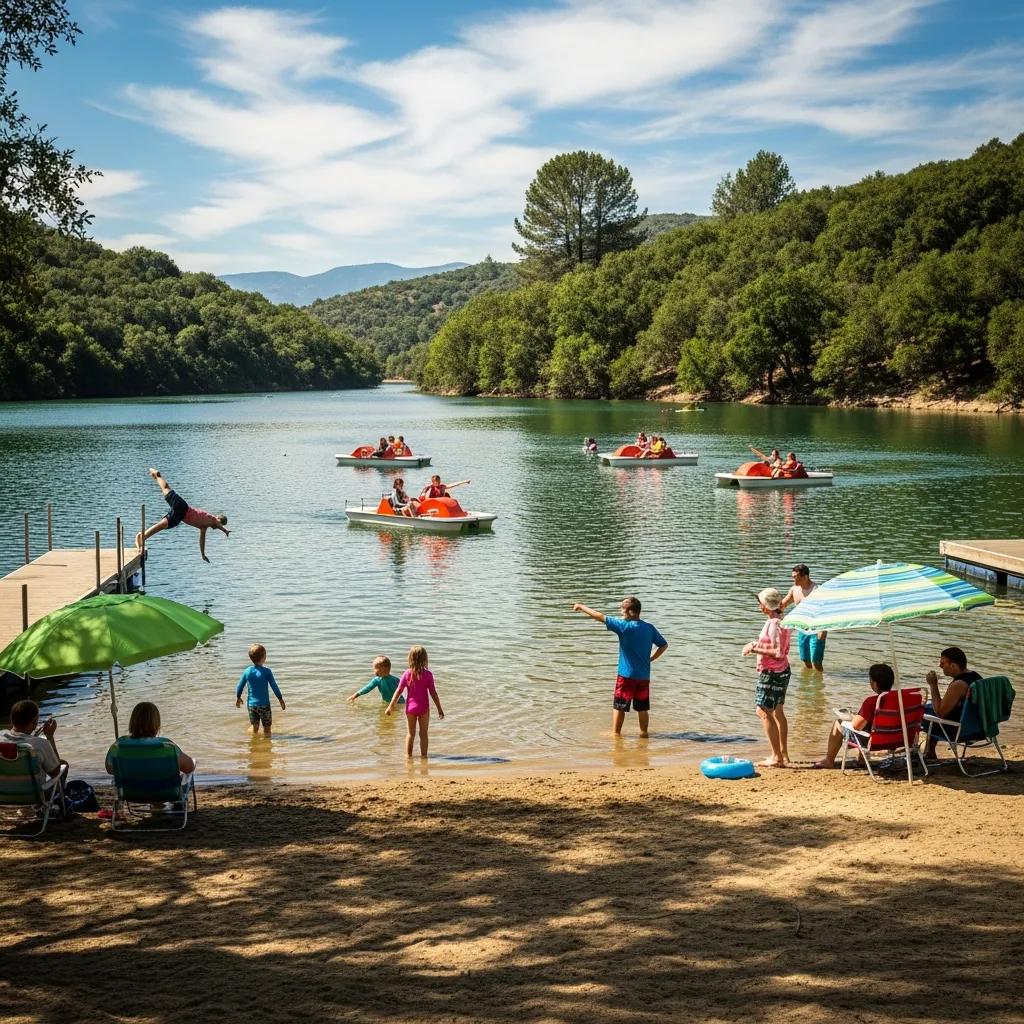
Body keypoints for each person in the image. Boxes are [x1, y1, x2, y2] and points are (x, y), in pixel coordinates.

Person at [571, 596, 668, 737]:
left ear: (630, 612)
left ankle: (616, 735)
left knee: (619, 706)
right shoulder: (649, 628)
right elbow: (663, 645)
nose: (620, 611)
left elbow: (599, 616)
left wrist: (581, 606)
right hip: (643, 677)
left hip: (626, 676)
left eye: (622, 609)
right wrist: (651, 658)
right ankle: (644, 734)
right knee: (642, 708)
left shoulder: (623, 626)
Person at [742, 588, 792, 767]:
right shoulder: (783, 621)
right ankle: (783, 754)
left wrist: (753, 648)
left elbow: (777, 652)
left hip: (772, 673)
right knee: (778, 712)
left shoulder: (773, 623)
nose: (758, 605)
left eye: (760, 602)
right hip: (783, 671)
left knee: (762, 711)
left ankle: (776, 757)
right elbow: (780, 650)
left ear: (766, 605)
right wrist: (756, 644)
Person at [135, 468, 230, 562]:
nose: (218, 527)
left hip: (179, 517)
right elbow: (218, 523)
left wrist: (203, 554)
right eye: (220, 523)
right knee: (166, 488)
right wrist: (224, 530)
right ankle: (157, 475)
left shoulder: (204, 527)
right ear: (217, 518)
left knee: (163, 525)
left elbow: (202, 541)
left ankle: (142, 537)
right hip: (182, 507)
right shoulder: (212, 518)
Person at [811, 663, 895, 768]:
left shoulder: (871, 702)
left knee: (839, 723)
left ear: (874, 684)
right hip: (894, 739)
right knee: (868, 724)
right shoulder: (898, 700)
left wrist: (853, 717)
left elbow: (857, 726)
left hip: (873, 741)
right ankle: (862, 760)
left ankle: (829, 760)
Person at [923, 646, 982, 759]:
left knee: (919, 712)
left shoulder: (958, 684)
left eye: (943, 663)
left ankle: (926, 751)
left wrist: (933, 685)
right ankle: (929, 751)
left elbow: (941, 713)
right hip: (977, 726)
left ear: (954, 665)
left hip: (959, 731)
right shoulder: (975, 676)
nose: (940, 666)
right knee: (928, 707)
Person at [385, 646, 444, 758]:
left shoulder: (407, 674)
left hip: (410, 709)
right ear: (425, 659)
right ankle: (424, 757)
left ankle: (408, 757)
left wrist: (390, 706)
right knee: (423, 734)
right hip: (424, 708)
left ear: (410, 659)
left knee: (410, 734)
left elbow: (398, 691)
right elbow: (433, 694)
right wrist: (440, 709)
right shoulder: (428, 675)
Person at [106, 701, 194, 775]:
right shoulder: (167, 746)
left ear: (132, 722)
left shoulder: (120, 744)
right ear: (157, 724)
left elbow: (110, 769)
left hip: (131, 794)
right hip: (164, 794)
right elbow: (189, 767)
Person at [1, 700, 68, 793]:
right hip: (34, 797)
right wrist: (50, 736)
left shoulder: (1, 735)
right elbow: (55, 772)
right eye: (36, 721)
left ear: (12, 719)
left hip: (4, 796)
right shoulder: (41, 744)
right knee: (63, 765)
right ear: (34, 722)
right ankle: (60, 801)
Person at [781, 564, 826, 671]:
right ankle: (809, 683)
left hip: (817, 629)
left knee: (816, 661)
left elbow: (825, 612)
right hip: (802, 629)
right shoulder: (794, 590)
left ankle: (819, 684)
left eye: (796, 577)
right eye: (793, 577)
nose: (793, 580)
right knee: (805, 659)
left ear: (805, 577)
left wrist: (823, 631)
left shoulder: (818, 590)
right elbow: (782, 605)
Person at [235, 643, 286, 737]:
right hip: (264, 706)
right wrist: (280, 699)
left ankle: (255, 744)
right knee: (267, 729)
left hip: (251, 705)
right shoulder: (267, 671)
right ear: (263, 658)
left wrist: (238, 698)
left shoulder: (247, 671)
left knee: (255, 727)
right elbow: (274, 686)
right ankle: (266, 746)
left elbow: (240, 686)